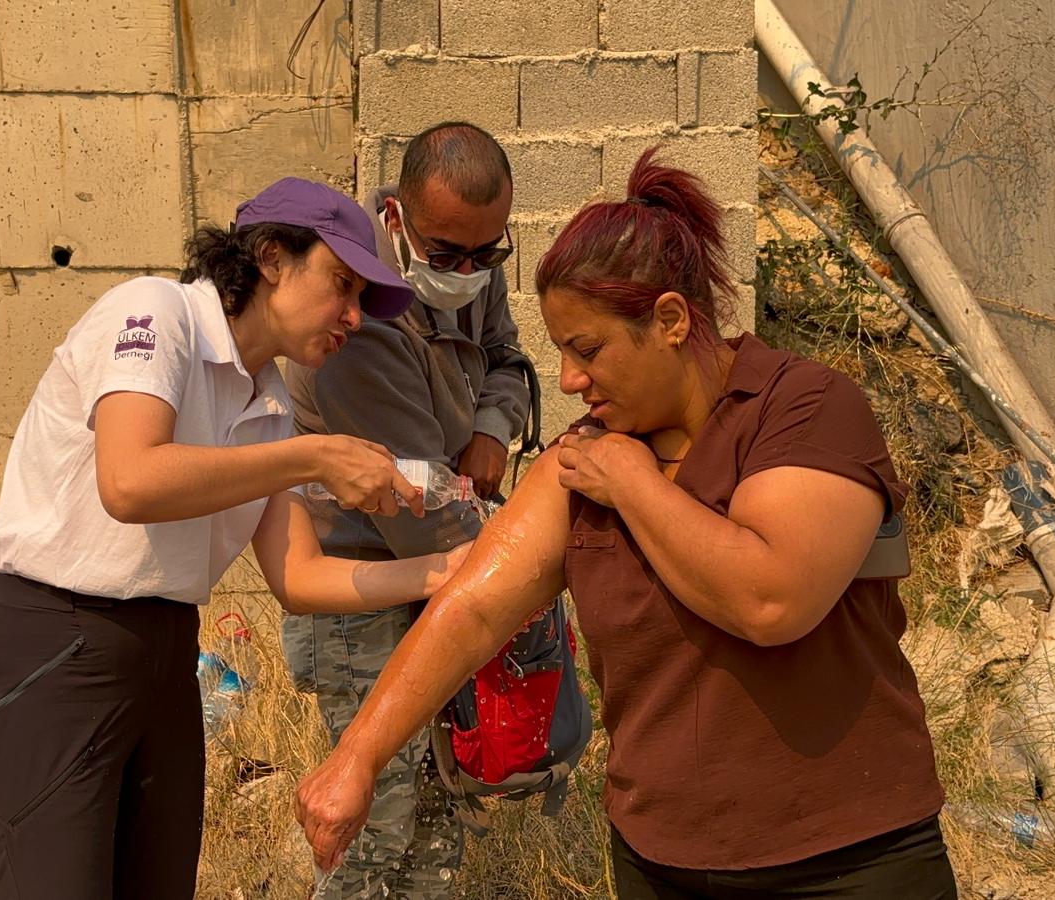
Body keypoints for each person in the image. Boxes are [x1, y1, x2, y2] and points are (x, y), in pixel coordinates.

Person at [294, 150, 957, 899]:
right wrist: (357, 755)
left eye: (588, 349)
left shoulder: (801, 411)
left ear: (671, 321)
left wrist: (637, 486)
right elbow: (475, 608)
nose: (571, 380)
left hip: (845, 862)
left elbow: (770, 601)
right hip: (662, 861)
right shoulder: (587, 460)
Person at [0, 177, 473, 900]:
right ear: (271, 258)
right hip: (51, 650)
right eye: (342, 285)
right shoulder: (157, 315)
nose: (352, 317)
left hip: (163, 659)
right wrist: (316, 456)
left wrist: (442, 573)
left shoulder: (269, 402)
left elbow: (297, 577)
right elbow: (130, 482)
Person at [279, 121, 530, 897]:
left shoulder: (471, 264)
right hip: (367, 596)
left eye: (486, 256)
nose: (468, 273)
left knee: (435, 829)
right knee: (374, 835)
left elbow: (511, 362)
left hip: (438, 578)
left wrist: (491, 430)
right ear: (397, 219)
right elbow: (415, 501)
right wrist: (514, 572)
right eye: (448, 254)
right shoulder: (359, 322)